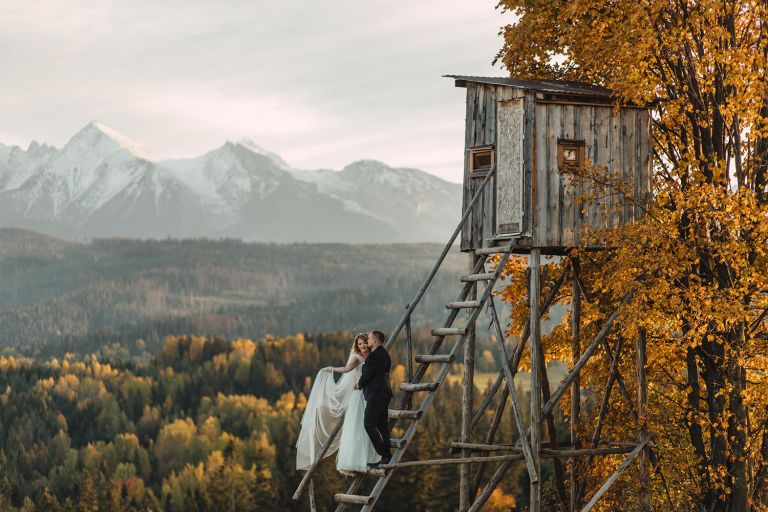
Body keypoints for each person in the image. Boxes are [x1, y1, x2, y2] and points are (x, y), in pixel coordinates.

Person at [295, 333, 378, 475]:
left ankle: (370, 459)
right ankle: (355, 462)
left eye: (364, 342)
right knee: (358, 428)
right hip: (359, 396)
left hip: (370, 395)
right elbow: (346, 370)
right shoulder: (357, 358)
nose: (363, 346)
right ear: (356, 346)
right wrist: (332, 369)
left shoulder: (373, 356)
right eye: (359, 344)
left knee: (370, 427)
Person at [355, 330, 393, 467]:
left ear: (375, 341)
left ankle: (383, 453)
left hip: (376, 395)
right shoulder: (384, 354)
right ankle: (386, 456)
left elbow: (366, 375)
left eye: (369, 339)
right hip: (384, 394)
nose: (367, 341)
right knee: (382, 425)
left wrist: (358, 384)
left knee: (369, 424)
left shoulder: (375, 356)